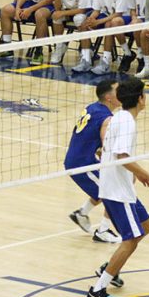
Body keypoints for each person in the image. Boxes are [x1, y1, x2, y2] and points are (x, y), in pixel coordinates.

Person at [87, 78, 149, 297]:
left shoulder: (119, 116)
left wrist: (134, 173)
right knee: (130, 240)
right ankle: (97, 290)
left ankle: (110, 266)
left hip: (118, 187)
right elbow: (122, 156)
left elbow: (106, 151)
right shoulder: (126, 121)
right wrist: (147, 175)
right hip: (117, 192)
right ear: (140, 99)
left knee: (146, 226)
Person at [65, 80, 122, 243]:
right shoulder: (107, 118)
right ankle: (103, 230)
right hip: (82, 164)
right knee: (113, 192)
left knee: (105, 187)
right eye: (118, 91)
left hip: (80, 159)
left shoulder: (92, 107)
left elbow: (88, 136)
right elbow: (107, 148)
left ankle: (82, 213)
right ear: (109, 97)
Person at [74, 0, 132, 75]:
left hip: (123, 17)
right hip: (106, 15)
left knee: (109, 24)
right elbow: (96, 10)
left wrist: (98, 21)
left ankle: (106, 61)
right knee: (83, 22)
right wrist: (90, 20)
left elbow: (118, 14)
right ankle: (86, 59)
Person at [50, 0, 94, 65]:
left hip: (89, 12)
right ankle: (59, 48)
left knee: (78, 19)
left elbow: (82, 10)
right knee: (56, 17)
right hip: (72, 12)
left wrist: (62, 13)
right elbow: (57, 9)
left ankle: (86, 51)